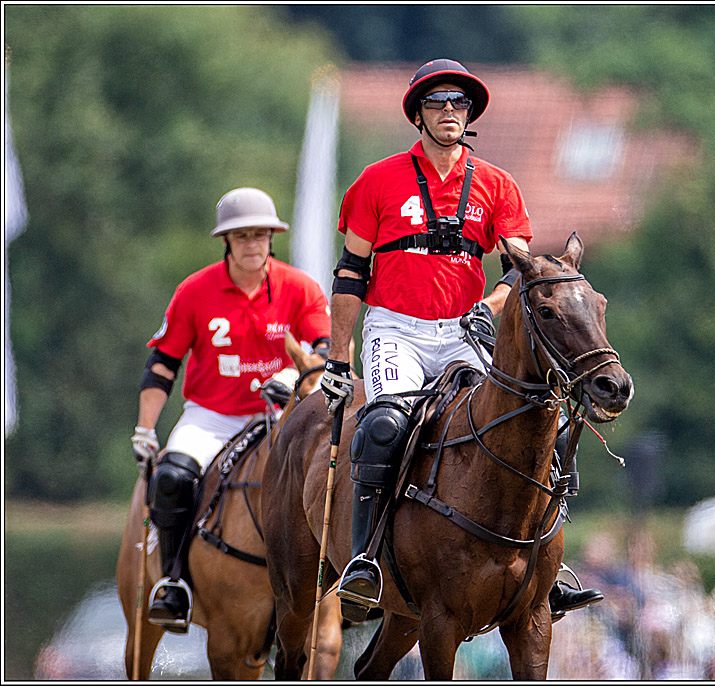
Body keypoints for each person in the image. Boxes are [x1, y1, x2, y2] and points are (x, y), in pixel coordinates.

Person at [319, 58, 602, 619]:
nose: (450, 110)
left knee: (540, 420)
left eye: (459, 102)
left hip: (465, 329)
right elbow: (350, 272)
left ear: (468, 114)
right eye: (438, 101)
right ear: (417, 113)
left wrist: (489, 308)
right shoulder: (376, 182)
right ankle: (363, 563)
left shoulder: (497, 185)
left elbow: (516, 269)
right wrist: (337, 355)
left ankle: (547, 562)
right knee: (382, 426)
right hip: (395, 329)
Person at [131, 187, 331, 631]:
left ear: (271, 238)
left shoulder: (299, 288)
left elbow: (326, 347)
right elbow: (163, 365)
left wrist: (295, 375)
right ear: (226, 241)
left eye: (260, 235)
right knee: (171, 477)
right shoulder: (195, 291)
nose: (252, 245)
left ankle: (337, 579)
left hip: (280, 414)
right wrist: (146, 428)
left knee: (330, 470)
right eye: (242, 236)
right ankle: (174, 581)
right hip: (212, 415)